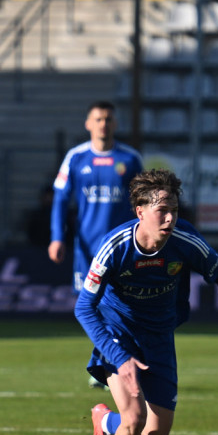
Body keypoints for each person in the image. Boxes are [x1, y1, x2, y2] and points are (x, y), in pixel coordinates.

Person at [74, 169, 218, 435]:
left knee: (156, 433)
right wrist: (118, 357)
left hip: (158, 336)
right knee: (134, 417)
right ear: (140, 211)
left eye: (174, 209)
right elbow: (84, 307)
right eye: (161, 210)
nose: (170, 217)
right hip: (117, 335)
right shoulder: (115, 247)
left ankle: (104, 421)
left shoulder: (185, 241)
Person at [48, 100, 144, 293]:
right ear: (88, 123)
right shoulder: (76, 157)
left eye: (108, 119)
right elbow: (60, 199)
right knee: (87, 305)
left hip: (122, 245)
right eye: (98, 119)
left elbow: (143, 202)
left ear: (115, 123)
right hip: (87, 246)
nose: (103, 124)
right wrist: (57, 237)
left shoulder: (131, 159)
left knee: (120, 304)